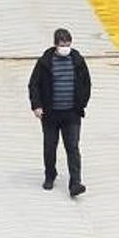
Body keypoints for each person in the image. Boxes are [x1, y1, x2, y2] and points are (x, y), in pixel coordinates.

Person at [28, 28, 91, 197]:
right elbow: (34, 84)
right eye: (62, 45)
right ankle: (50, 175)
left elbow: (86, 83)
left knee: (73, 147)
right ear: (55, 44)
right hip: (51, 115)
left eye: (68, 44)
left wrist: (81, 103)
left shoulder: (77, 60)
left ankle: (75, 183)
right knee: (50, 147)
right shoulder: (45, 62)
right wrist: (37, 105)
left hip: (72, 114)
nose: (66, 47)